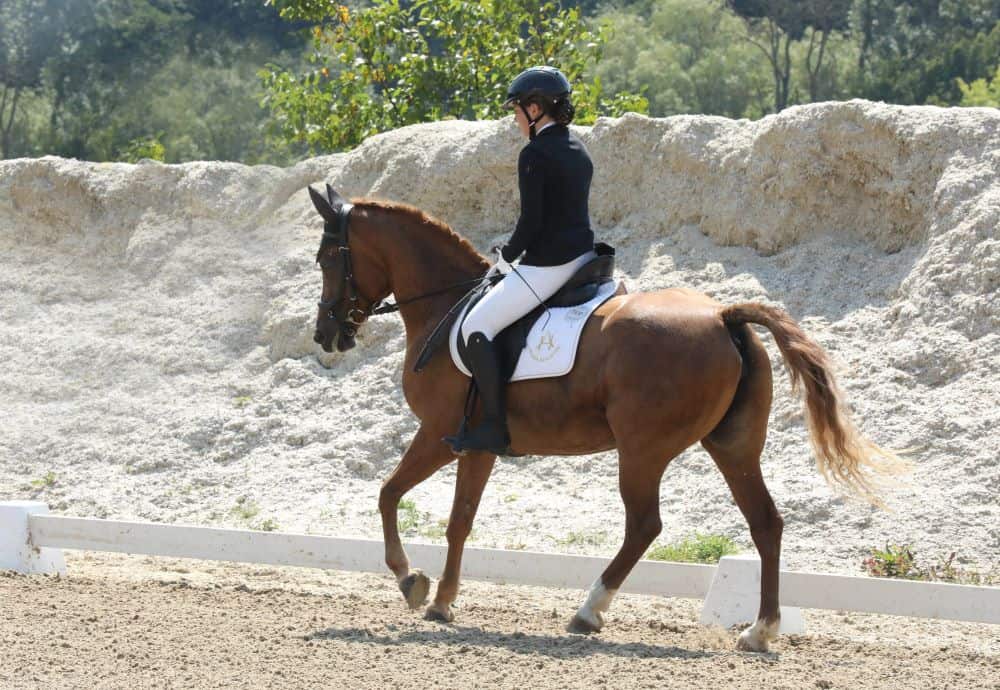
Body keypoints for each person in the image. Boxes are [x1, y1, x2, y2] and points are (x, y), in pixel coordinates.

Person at [445, 65, 598, 456]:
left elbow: (531, 223)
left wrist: (505, 259)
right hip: (584, 256)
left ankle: (495, 428)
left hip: (549, 265)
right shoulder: (578, 148)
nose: (515, 119)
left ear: (534, 109)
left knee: (476, 326)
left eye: (516, 110)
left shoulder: (534, 154)